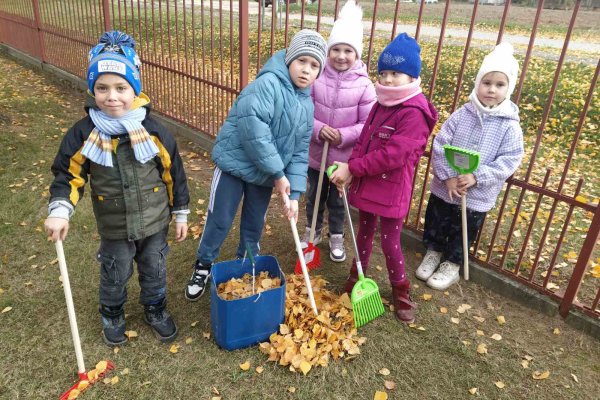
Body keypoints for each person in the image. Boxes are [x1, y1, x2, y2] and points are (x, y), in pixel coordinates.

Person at [44, 31, 190, 346]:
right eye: (102, 88)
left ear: (135, 89)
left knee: (155, 268)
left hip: (154, 223)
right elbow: (68, 174)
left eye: (121, 88)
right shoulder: (84, 133)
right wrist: (60, 209)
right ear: (92, 89)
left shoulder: (152, 131)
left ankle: (156, 309)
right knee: (115, 271)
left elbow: (173, 173)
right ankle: (112, 313)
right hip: (114, 226)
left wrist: (180, 214)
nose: (112, 96)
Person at [185, 30, 327, 301]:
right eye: (302, 61)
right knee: (220, 218)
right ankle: (203, 265)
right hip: (234, 166)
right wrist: (277, 172)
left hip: (263, 176)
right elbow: (254, 130)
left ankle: (246, 264)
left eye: (314, 65)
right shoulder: (267, 84)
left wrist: (294, 193)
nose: (306, 70)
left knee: (254, 224)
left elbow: (299, 151)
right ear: (289, 58)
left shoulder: (307, 105)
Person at [329, 33, 438, 323]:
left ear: (412, 76)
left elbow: (394, 154)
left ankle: (400, 291)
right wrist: (351, 167)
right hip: (368, 183)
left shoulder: (414, 112)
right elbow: (364, 140)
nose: (388, 79)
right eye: (384, 72)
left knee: (390, 242)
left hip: (391, 190)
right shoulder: (381, 103)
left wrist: (354, 168)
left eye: (396, 73)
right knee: (362, 234)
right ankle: (357, 277)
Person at [416, 42, 524, 291]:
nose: (491, 90)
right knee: (437, 220)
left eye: (500, 85)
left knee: (463, 229)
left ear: (509, 88)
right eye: (487, 83)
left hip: (477, 194)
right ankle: (433, 251)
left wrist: (477, 176)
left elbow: (509, 159)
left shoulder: (509, 125)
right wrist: (447, 177)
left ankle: (452, 263)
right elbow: (441, 144)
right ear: (478, 84)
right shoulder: (462, 115)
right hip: (446, 188)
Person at [300, 0, 376, 263]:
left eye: (348, 50)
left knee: (338, 203)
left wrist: (343, 135)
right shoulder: (316, 76)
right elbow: (303, 110)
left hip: (343, 161)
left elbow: (368, 125)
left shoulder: (365, 85)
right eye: (336, 49)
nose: (341, 56)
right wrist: (319, 129)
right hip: (316, 153)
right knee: (314, 197)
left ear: (357, 54)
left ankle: (336, 237)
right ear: (328, 51)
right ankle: (312, 233)